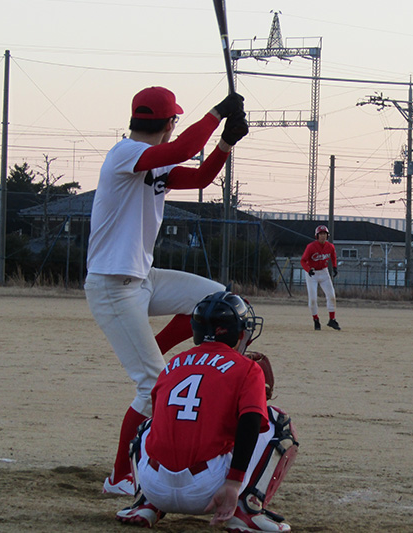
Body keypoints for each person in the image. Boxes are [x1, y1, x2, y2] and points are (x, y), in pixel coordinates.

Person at [85, 86, 249, 495]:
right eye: (174, 119)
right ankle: (119, 477)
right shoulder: (125, 153)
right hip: (112, 286)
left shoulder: (152, 161)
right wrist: (216, 114)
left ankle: (151, 349)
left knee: (218, 300)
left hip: (142, 278)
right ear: (167, 122)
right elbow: (182, 151)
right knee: (153, 383)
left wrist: (226, 142)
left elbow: (199, 177)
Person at [114, 291, 297, 532]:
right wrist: (233, 483)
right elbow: (251, 422)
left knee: (148, 426)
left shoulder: (173, 364)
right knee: (278, 421)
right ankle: (248, 509)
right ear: (239, 331)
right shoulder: (247, 368)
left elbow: (164, 417)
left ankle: (145, 503)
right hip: (208, 490)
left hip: (155, 486)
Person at [300, 224, 340, 331]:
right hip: (312, 273)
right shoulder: (311, 247)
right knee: (313, 299)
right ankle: (316, 320)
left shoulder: (330, 246)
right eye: (321, 234)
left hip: (324, 272)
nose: (323, 236)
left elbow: (333, 256)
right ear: (316, 236)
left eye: (325, 234)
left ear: (328, 236)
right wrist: (308, 269)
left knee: (331, 296)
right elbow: (303, 260)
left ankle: (332, 320)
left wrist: (335, 267)